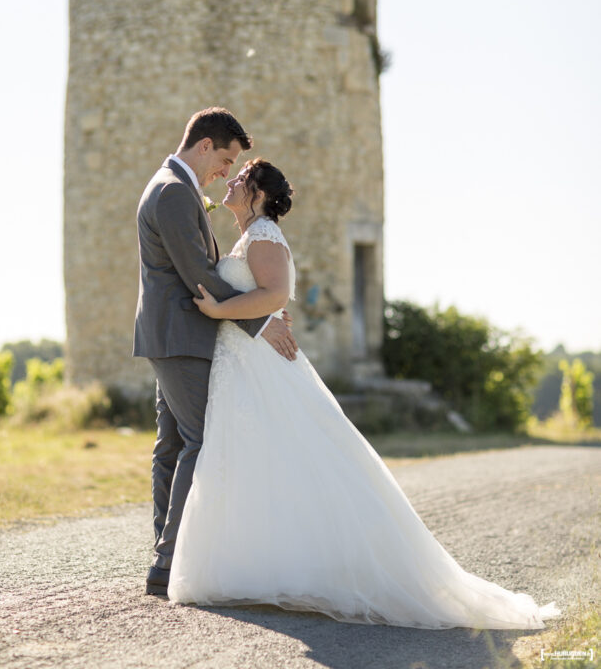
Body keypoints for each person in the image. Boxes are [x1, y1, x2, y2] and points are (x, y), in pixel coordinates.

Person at [167, 158, 562, 630]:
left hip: (259, 366)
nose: (229, 182)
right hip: (242, 364)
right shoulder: (247, 236)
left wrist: (219, 311)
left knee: (294, 454)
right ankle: (257, 564)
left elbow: (275, 295)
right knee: (258, 459)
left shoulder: (265, 235)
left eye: (240, 178)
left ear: (258, 194)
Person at [133, 109, 299, 597]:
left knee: (172, 445)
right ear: (204, 145)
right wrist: (260, 319)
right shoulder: (172, 192)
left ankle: (168, 551)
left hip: (177, 334)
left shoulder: (175, 188)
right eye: (226, 159)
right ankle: (169, 561)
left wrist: (257, 308)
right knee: (200, 440)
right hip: (181, 335)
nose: (227, 171)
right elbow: (197, 273)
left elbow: (209, 270)